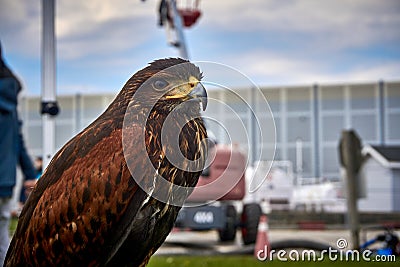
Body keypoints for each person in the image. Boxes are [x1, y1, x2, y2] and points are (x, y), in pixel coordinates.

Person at [0, 41, 37, 266]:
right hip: (4, 181)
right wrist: (30, 172)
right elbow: (17, 139)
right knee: (2, 238)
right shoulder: (9, 102)